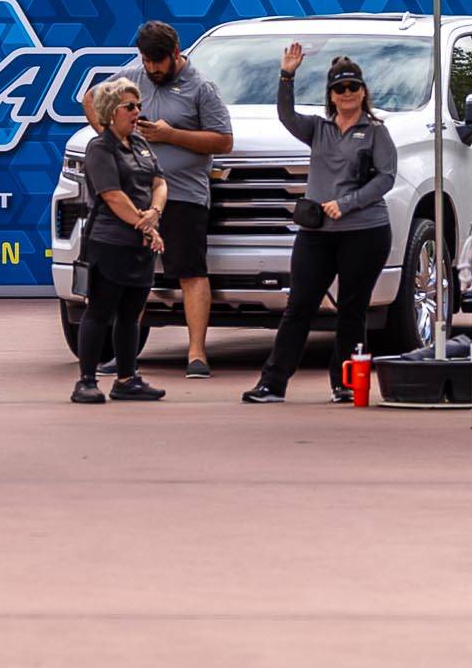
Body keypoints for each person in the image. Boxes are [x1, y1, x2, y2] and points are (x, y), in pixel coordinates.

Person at [243, 45, 397, 405]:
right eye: (340, 89)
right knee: (300, 305)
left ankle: (344, 382)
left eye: (353, 88)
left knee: (352, 307)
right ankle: (273, 383)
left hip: (364, 231)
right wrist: (287, 74)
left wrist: (347, 203)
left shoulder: (376, 131)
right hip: (317, 232)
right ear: (330, 95)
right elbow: (285, 115)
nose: (347, 94)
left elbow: (386, 177)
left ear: (363, 91)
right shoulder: (318, 128)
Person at [114, 21, 234, 377]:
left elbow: (223, 142)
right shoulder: (131, 76)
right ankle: (125, 355)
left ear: (176, 53)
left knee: (191, 272)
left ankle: (196, 354)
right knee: (133, 274)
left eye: (158, 62)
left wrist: (171, 135)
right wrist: (112, 136)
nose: (151, 69)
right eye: (147, 61)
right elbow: (93, 99)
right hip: (137, 195)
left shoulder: (201, 88)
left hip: (183, 193)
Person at [70, 78, 169, 404]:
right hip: (109, 243)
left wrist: (155, 211)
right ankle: (86, 381)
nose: (137, 112)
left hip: (139, 246)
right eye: (130, 107)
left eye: (138, 106)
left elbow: (159, 182)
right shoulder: (99, 148)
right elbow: (112, 196)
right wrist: (148, 227)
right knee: (99, 311)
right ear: (112, 112)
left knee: (131, 314)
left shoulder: (140, 143)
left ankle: (127, 379)